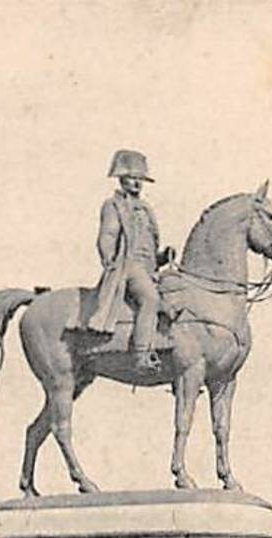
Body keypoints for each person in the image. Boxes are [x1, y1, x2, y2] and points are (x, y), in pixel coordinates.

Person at [85, 149, 174, 372]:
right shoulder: (114, 206)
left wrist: (163, 256)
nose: (136, 183)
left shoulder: (146, 209)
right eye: (132, 178)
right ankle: (141, 356)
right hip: (127, 266)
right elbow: (108, 235)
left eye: (140, 179)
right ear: (121, 178)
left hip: (147, 269)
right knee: (151, 299)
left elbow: (148, 249)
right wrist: (109, 259)